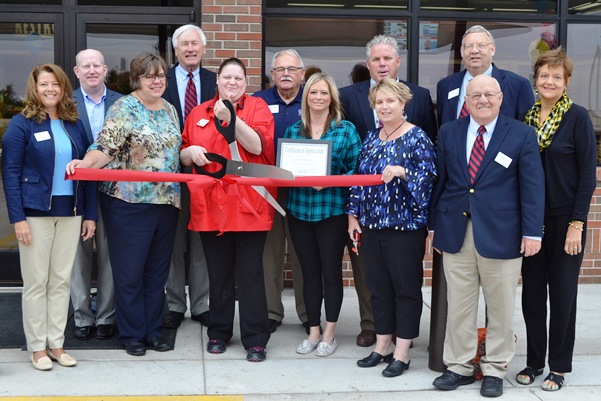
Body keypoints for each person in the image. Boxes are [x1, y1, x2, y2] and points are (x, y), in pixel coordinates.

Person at [429, 75, 545, 398]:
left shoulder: (521, 134)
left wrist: (532, 232)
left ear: (500, 98)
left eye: (488, 94)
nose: (482, 99)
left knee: (501, 307)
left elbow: (533, 189)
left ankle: (494, 368)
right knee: (460, 306)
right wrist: (434, 226)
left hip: (503, 235)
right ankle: (460, 366)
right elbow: (443, 183)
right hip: (456, 232)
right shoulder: (449, 132)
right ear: (465, 101)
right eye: (475, 95)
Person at [66, 52, 181, 357]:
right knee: (130, 272)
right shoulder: (125, 107)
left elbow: (172, 153)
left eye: (161, 76)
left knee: (157, 273)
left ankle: (154, 331)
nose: (156, 81)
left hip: (166, 202)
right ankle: (131, 333)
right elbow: (105, 146)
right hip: (127, 203)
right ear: (136, 80)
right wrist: (85, 163)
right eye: (149, 76)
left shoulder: (170, 109)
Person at [339, 34, 437, 348]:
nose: (384, 106)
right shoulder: (371, 139)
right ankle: (382, 346)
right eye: (379, 102)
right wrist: (353, 216)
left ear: (403, 103)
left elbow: (429, 174)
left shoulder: (417, 136)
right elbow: (358, 177)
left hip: (406, 227)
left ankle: (403, 352)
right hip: (371, 226)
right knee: (377, 287)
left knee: (406, 289)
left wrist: (402, 171)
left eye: (390, 101)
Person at [2, 63, 97, 370]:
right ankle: (36, 347)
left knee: (60, 281)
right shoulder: (22, 124)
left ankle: (56, 343)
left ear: (63, 88)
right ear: (35, 88)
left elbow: (87, 172)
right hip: (34, 215)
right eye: (44, 84)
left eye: (55, 84)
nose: (50, 90)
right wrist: (17, 219)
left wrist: (89, 215)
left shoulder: (74, 123)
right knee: (36, 282)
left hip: (70, 213)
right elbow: (11, 173)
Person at [180, 57, 274, 363]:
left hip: (249, 206)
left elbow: (259, 147)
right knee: (217, 274)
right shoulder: (197, 112)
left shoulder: (257, 107)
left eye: (238, 78)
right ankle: (218, 332)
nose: (232, 83)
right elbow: (183, 154)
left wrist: (232, 118)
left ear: (246, 84)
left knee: (250, 276)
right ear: (217, 81)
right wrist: (188, 152)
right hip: (210, 207)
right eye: (226, 78)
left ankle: (256, 339)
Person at [517, 48, 596, 392]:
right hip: (533, 221)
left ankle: (559, 366)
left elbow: (587, 176)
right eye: (544, 75)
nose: (549, 81)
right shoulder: (525, 120)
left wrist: (577, 223)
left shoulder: (578, 118)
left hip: (567, 221)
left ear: (566, 82)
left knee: (562, 295)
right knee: (533, 295)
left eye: (557, 77)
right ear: (535, 80)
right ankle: (534, 361)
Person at [286, 72, 361, 357]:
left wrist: (331, 179)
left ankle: (330, 332)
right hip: (299, 210)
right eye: (313, 93)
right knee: (308, 273)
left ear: (332, 98)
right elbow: (286, 170)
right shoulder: (294, 130)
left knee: (331, 272)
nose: (318, 98)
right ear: (306, 97)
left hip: (331, 210)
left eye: (324, 93)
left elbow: (358, 168)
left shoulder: (346, 130)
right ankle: (313, 330)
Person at [162, 24, 216, 329]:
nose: (190, 49)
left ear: (203, 49)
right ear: (176, 49)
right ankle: (174, 304)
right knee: (173, 241)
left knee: (201, 240)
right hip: (170, 175)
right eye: (184, 44)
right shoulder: (162, 81)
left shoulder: (214, 81)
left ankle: (200, 304)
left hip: (206, 174)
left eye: (195, 43)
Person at [254, 49, 307, 334]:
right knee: (270, 253)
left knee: (302, 252)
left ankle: (307, 311)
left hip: (303, 190)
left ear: (302, 73)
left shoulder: (312, 99)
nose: (285, 74)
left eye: (291, 68)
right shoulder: (258, 101)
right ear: (272, 75)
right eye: (279, 69)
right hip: (268, 189)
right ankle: (272, 311)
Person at [70, 49, 122, 341]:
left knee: (108, 256)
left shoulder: (121, 102)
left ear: (105, 70)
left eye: (96, 65)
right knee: (78, 258)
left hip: (112, 190)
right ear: (76, 72)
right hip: (76, 193)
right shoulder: (64, 103)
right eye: (85, 66)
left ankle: (105, 316)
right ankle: (81, 316)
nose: (91, 70)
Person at [436, 25, 535, 126]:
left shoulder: (518, 85)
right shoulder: (445, 86)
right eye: (469, 46)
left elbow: (526, 130)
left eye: (481, 45)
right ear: (462, 51)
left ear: (492, 49)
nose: (474, 50)